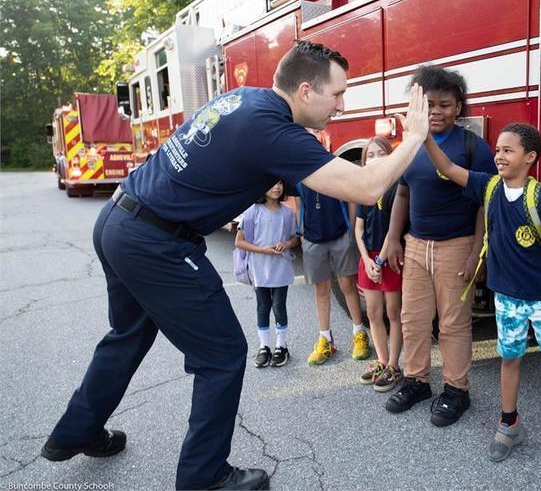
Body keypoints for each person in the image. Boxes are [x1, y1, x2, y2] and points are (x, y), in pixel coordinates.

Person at [40, 40, 431, 490]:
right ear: (305, 91)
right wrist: (414, 136)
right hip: (155, 242)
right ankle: (203, 477)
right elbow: (366, 189)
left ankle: (75, 431)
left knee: (128, 334)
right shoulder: (274, 132)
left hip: (118, 219)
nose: (341, 106)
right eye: (337, 94)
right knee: (221, 355)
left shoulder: (245, 99)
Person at [422, 122, 541, 470]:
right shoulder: (489, 186)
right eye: (497, 149)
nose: (498, 155)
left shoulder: (540, 196)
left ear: (530, 157)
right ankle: (509, 425)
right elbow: (448, 169)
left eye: (508, 150)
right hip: (507, 300)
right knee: (509, 360)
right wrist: (423, 136)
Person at [382, 65, 496, 427]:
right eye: (429, 104)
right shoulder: (411, 145)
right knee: (412, 320)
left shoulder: (472, 147)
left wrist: (478, 251)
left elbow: (485, 202)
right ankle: (417, 381)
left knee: (453, 325)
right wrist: (392, 239)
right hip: (415, 245)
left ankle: (456, 389)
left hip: (456, 245)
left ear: (458, 107)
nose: (435, 111)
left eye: (444, 104)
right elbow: (402, 191)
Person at [296, 161, 370, 366]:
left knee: (347, 284)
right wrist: (301, 232)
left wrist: (352, 228)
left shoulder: (333, 167)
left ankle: (359, 333)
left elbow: (351, 196)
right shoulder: (299, 171)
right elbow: (299, 203)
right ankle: (325, 339)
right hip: (312, 236)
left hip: (340, 233)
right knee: (321, 289)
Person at [353, 136, 403, 392]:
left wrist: (380, 260)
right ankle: (382, 361)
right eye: (369, 155)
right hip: (369, 259)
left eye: (380, 153)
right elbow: (358, 229)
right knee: (373, 313)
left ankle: (394, 365)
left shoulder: (397, 187)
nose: (374, 159)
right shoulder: (365, 191)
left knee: (394, 313)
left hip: (389, 259)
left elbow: (394, 230)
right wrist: (365, 259)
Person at [234, 180, 297, 368]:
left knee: (279, 307)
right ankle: (264, 346)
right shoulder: (252, 212)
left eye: (279, 184)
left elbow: (295, 239)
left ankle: (281, 345)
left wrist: (285, 244)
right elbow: (239, 242)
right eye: (271, 184)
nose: (276, 188)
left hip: (280, 267)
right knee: (263, 306)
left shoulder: (287, 213)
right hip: (259, 268)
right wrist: (263, 250)